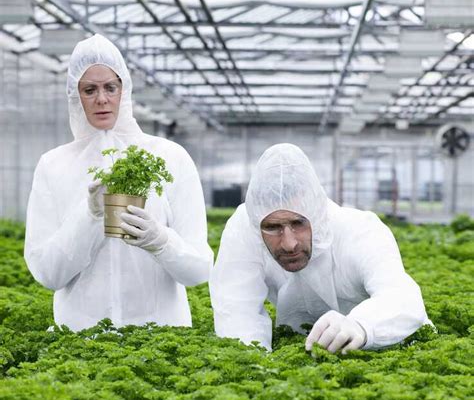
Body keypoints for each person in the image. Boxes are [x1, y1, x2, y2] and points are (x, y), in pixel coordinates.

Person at [25, 34, 213, 331]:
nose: (101, 99)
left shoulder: (170, 157)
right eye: (89, 89)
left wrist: (161, 241)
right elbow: (48, 273)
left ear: (123, 90)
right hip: (82, 341)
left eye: (110, 87)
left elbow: (199, 270)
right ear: (76, 96)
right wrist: (89, 217)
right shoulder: (53, 165)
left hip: (161, 340)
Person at [210, 143, 429, 353]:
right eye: (272, 227)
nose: (289, 244)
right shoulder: (246, 227)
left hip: (385, 345)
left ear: (316, 214)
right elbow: (236, 309)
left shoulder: (359, 231)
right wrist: (256, 367)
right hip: (297, 345)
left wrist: (362, 326)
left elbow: (401, 296)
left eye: (298, 224)